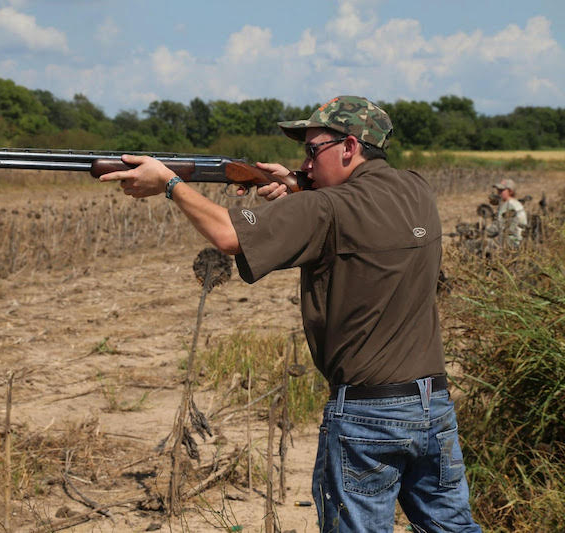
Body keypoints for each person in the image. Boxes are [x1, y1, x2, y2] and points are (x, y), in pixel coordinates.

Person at [100, 95, 481, 532]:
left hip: (367, 414)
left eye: (312, 151)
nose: (305, 160)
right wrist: (299, 183)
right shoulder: (416, 189)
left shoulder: (324, 209)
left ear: (349, 148)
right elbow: (362, 207)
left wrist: (169, 184)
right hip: (433, 406)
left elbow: (227, 235)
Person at [493, 178, 527, 247]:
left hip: (512, 245)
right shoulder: (513, 204)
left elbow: (500, 226)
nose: (498, 193)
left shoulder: (510, 205)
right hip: (513, 243)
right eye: (498, 190)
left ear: (510, 191)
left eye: (501, 190)